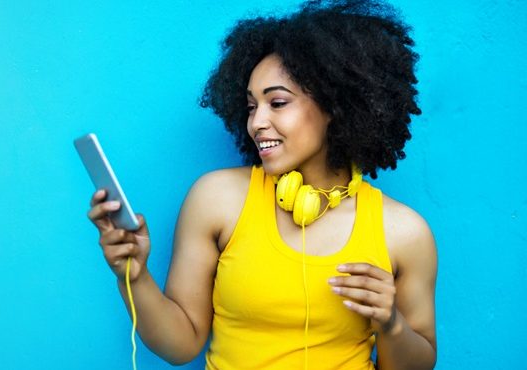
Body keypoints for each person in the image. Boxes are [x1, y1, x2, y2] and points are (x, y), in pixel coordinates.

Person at [85, 1, 437, 368]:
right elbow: (181, 345)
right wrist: (135, 277)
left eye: (278, 102)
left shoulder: (404, 233)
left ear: (337, 105)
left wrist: (391, 323)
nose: (257, 123)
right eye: (252, 106)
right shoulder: (216, 199)